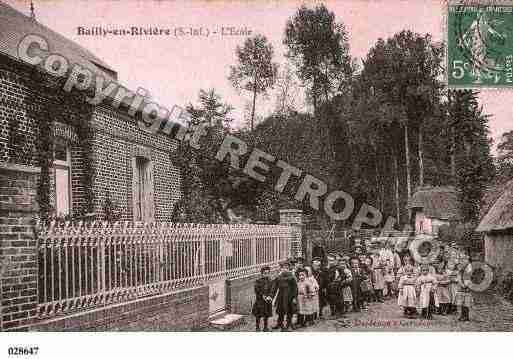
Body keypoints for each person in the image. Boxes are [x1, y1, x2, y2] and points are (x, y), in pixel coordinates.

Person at [272, 261, 298, 331]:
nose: (285, 269)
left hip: (290, 296)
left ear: (289, 268)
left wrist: (295, 297)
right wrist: (271, 296)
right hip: (281, 296)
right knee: (280, 310)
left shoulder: (292, 277)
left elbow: (295, 288)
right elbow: (274, 287)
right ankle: (279, 323)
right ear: (281, 269)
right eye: (283, 268)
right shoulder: (279, 277)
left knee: (289, 311)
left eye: (287, 268)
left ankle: (288, 324)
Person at [252, 266, 274, 331]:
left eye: (267, 273)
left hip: (267, 301)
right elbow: (257, 290)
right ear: (261, 274)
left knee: (266, 314)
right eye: (265, 273)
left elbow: (272, 290)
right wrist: (262, 295)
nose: (266, 274)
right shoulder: (258, 281)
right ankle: (257, 327)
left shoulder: (270, 281)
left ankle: (265, 327)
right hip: (260, 301)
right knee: (258, 314)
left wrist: (270, 296)